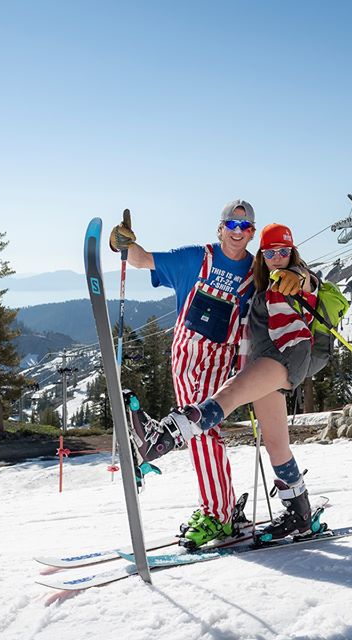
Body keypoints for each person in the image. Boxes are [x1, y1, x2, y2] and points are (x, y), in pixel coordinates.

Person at [137, 223, 330, 541]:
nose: (278, 258)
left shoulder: (292, 277)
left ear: (292, 252)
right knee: (276, 443)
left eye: (284, 251)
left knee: (229, 395)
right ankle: (300, 514)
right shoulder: (261, 285)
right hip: (265, 361)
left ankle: (165, 435)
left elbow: (307, 282)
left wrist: (300, 276)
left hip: (284, 359)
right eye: (271, 253)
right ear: (262, 255)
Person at [109, 199, 257, 547]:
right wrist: (122, 243)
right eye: (231, 225)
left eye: (246, 227)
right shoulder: (196, 258)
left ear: (252, 233)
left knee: (201, 429)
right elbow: (143, 259)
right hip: (185, 358)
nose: (238, 232)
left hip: (222, 361)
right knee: (201, 433)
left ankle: (218, 514)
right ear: (220, 227)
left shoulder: (256, 272)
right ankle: (220, 506)